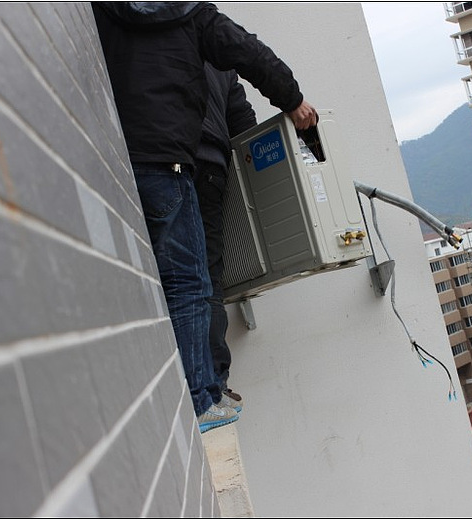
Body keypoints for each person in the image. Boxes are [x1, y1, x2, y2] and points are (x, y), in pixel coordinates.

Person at [92, 2, 318, 433]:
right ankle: (201, 398)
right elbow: (248, 52)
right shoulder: (190, 12)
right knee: (191, 283)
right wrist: (293, 100)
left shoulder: (102, 8)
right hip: (172, 163)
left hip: (119, 161)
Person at [193, 64, 256, 411]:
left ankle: (205, 387)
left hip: (166, 159)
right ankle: (214, 386)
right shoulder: (218, 57)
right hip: (212, 169)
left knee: (182, 276)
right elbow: (244, 124)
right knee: (207, 276)